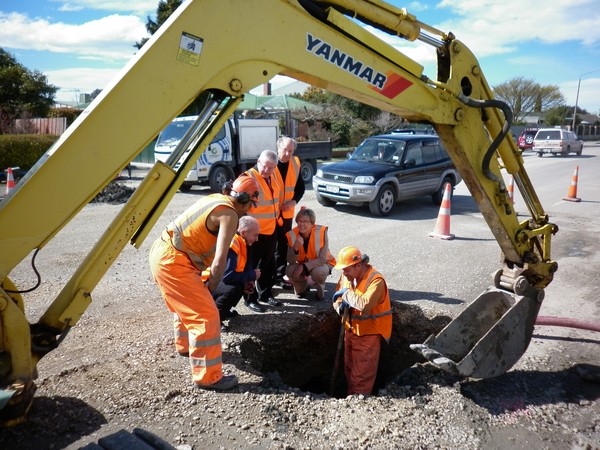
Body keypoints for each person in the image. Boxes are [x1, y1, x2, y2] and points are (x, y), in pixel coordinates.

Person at [148, 175, 260, 391]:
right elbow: (219, 264)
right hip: (175, 261)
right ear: (245, 200)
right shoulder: (229, 215)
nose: (249, 211)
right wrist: (209, 289)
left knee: (187, 304)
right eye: (250, 206)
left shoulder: (216, 199)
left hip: (164, 253)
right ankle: (208, 376)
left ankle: (184, 347)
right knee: (206, 315)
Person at [332, 246, 392, 396]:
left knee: (361, 377)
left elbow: (365, 305)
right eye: (342, 270)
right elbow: (337, 296)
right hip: (350, 331)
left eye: (346, 269)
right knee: (349, 369)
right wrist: (339, 307)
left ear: (358, 265)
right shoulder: (346, 277)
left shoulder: (376, 280)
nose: (344, 273)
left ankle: (358, 403)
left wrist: (346, 295)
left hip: (368, 334)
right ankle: (350, 397)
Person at [243, 149, 283, 312]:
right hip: (254, 233)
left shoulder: (272, 175)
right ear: (258, 161)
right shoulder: (247, 178)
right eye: (265, 167)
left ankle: (265, 294)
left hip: (270, 229)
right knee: (251, 266)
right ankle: (250, 299)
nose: (267, 171)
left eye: (272, 168)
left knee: (267, 265)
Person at [211, 215, 261, 331]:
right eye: (255, 235)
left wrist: (248, 281)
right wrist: (252, 275)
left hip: (218, 281)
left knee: (239, 285)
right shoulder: (232, 244)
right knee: (233, 289)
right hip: (208, 283)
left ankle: (224, 311)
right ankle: (214, 319)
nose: (257, 239)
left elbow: (244, 267)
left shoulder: (243, 241)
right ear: (243, 232)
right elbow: (227, 277)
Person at [274, 136, 305, 288]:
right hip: (270, 214)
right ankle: (266, 278)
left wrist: (293, 201)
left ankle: (279, 277)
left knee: (282, 246)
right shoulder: (269, 163)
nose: (287, 153)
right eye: (285, 150)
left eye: (290, 151)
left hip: (286, 214)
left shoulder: (295, 163)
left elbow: (300, 188)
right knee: (267, 247)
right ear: (278, 148)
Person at [285, 208, 335, 301]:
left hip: (322, 264)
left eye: (305, 221)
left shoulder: (321, 232)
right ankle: (303, 286)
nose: (302, 224)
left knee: (318, 272)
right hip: (304, 264)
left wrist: (302, 267)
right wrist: (295, 248)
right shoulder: (292, 235)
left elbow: (322, 259)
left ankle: (320, 288)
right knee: (289, 270)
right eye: (299, 221)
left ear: (312, 224)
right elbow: (290, 261)